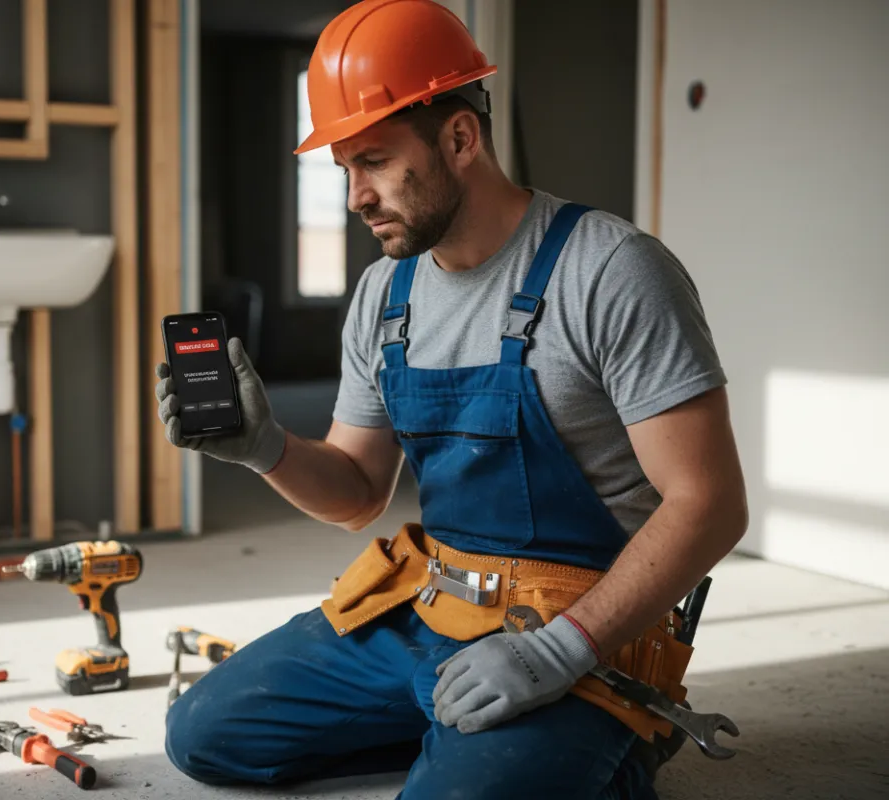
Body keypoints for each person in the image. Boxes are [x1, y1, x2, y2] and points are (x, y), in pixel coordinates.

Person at [155, 0, 748, 797]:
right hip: (433, 608)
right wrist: (268, 449)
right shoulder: (384, 293)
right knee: (205, 734)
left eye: (373, 161)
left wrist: (560, 652)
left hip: (582, 628)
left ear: (460, 138)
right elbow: (360, 492)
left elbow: (708, 504)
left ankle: (607, 738)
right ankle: (480, 737)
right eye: (344, 171)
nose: (356, 197)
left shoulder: (611, 271)